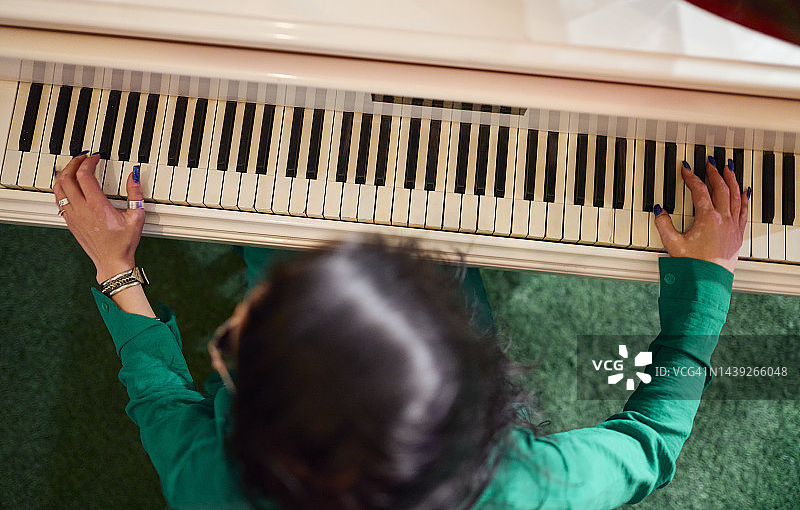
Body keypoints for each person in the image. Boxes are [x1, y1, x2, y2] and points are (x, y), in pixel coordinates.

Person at [53, 151, 748, 509]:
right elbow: (651, 442)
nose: (233, 322)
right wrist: (705, 287)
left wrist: (116, 269)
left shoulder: (214, 490)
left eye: (240, 333)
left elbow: (161, 399)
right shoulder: (520, 490)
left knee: (281, 242)